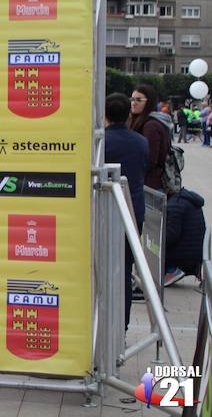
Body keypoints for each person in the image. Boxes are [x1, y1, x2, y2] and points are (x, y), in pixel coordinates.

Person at [104, 92, 148, 329]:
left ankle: (101, 324)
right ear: (128, 114)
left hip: (104, 214)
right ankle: (122, 326)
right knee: (125, 271)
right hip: (132, 213)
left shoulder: (101, 143)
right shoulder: (141, 142)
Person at [127, 84, 172, 192]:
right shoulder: (139, 121)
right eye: (132, 99)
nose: (134, 103)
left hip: (150, 185)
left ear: (149, 102)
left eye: (139, 100)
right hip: (145, 182)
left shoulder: (151, 125)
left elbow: (151, 159)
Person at [164, 188, 206, 287]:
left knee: (156, 247)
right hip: (198, 253)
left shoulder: (174, 205)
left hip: (183, 257)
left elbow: (172, 235)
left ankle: (173, 270)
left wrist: (157, 242)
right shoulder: (189, 200)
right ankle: (196, 271)